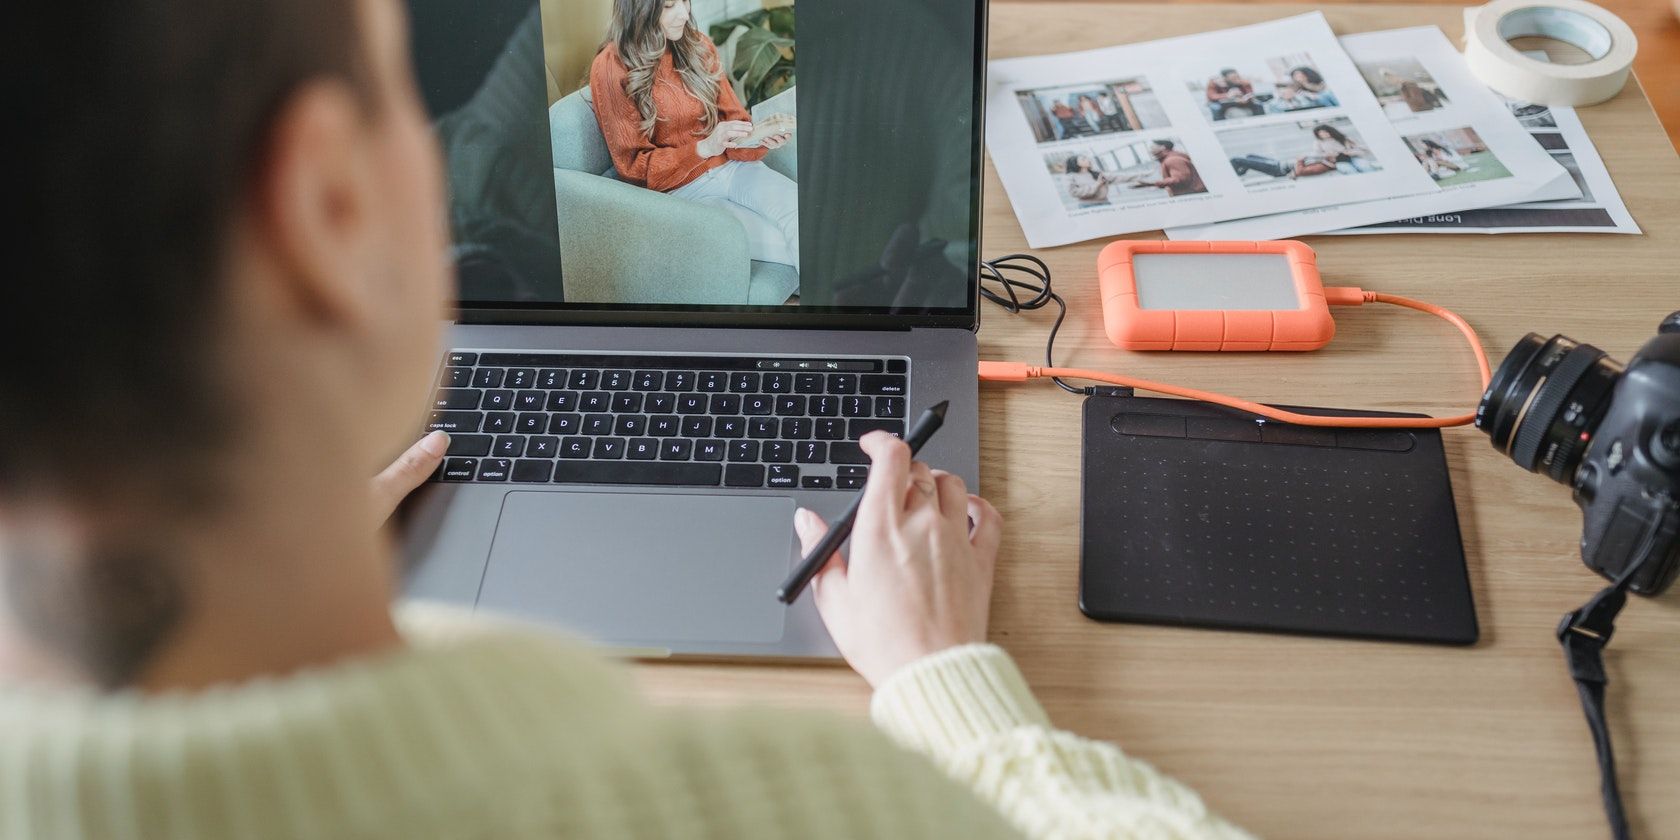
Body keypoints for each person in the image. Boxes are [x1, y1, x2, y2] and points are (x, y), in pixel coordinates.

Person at [3, 0, 1256, 838]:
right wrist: (946, 681)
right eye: (405, 97)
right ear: (327, 206)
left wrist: (272, 542)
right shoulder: (786, 803)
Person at [590, 0, 799, 270]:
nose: (684, 14)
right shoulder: (610, 67)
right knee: (784, 244)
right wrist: (703, 148)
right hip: (682, 192)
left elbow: (734, 118)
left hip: (731, 167)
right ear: (638, 9)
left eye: (685, 1)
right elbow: (634, 168)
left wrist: (757, 137)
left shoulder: (697, 44)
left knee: (807, 221)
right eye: (668, 6)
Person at [1129, 139, 1208, 197]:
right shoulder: (1170, 158)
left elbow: (1179, 179)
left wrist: (1152, 183)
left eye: (1152, 147)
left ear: (1163, 147)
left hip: (1190, 194)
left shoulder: (1172, 160)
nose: (1150, 150)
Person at [1292, 123, 1375, 178]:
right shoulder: (1318, 142)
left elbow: (1362, 149)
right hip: (1337, 161)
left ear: (1330, 131)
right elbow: (1317, 154)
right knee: (1350, 171)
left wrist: (1350, 152)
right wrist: (1328, 154)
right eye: (1321, 134)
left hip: (1353, 158)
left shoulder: (1344, 138)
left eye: (1325, 132)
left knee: (1365, 167)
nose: (1323, 135)